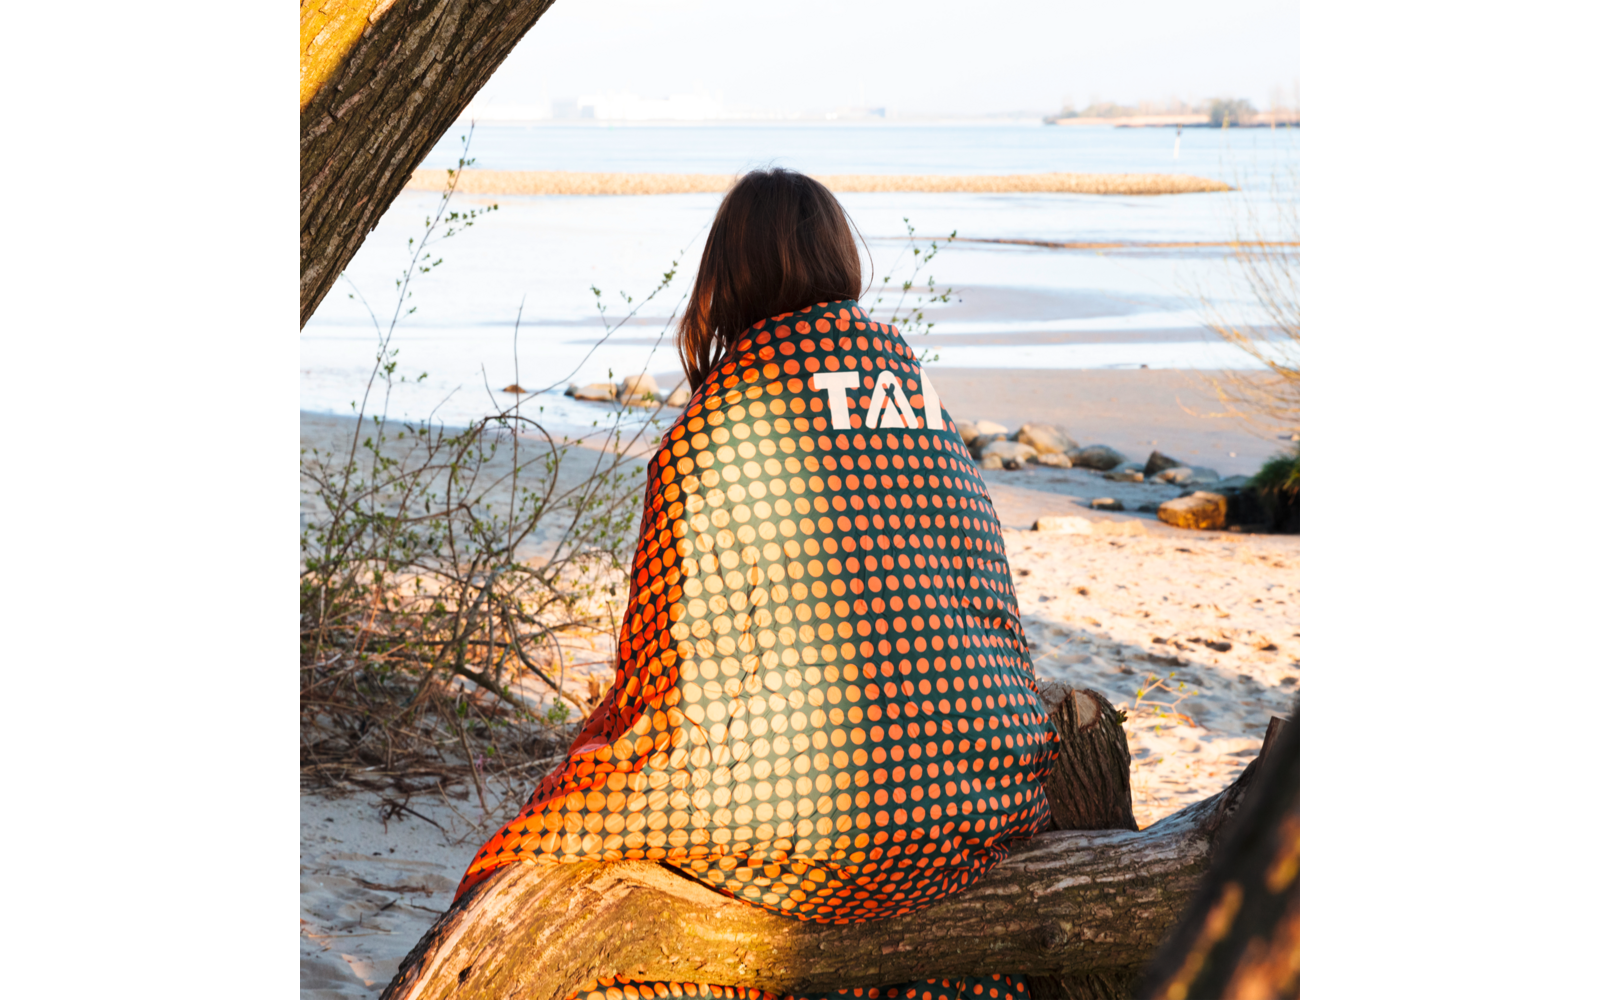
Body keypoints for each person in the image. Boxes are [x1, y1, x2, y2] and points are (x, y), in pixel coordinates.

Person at [455, 168, 1060, 1000]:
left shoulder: (715, 429)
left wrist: (599, 752)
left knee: (533, 846)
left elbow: (666, 669)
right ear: (840, 260)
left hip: (813, 826)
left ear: (727, 278)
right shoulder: (922, 407)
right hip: (981, 796)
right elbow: (990, 606)